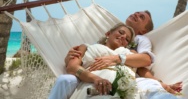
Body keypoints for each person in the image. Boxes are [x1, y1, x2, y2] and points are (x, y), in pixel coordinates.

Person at [48, 11, 182, 99]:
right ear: (108, 34)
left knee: (155, 91)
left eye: (128, 39)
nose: (124, 37)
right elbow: (72, 66)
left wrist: (162, 84)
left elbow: (143, 65)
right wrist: (93, 77)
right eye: (121, 32)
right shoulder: (87, 46)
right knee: (65, 80)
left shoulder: (133, 49)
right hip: (92, 78)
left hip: (125, 80)